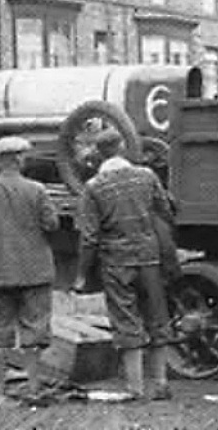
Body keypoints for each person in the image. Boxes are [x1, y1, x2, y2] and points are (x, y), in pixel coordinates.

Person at [73, 129, 176, 401]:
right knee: (157, 316)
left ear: (99, 154)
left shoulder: (93, 187)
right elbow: (166, 211)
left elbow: (89, 237)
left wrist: (82, 275)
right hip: (149, 257)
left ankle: (135, 388)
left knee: (126, 320)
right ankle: (161, 383)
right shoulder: (147, 176)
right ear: (122, 148)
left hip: (116, 261)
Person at [0, 136, 59, 406]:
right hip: (34, 271)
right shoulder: (37, 190)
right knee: (34, 329)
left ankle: (1, 390)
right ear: (18, 159)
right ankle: (33, 389)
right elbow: (51, 224)